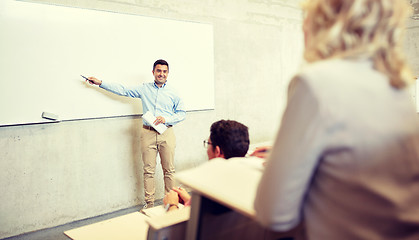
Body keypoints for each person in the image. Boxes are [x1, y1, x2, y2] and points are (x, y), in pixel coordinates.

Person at [254, 0, 419, 239]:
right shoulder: (397, 85)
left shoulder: (316, 83)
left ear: (325, 22)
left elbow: (274, 214)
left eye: (307, 16)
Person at [86, 59, 186, 209]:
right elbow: (123, 90)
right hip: (148, 133)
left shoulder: (173, 92)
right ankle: (149, 204)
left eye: (164, 71)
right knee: (148, 170)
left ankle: (171, 204)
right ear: (153, 72)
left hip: (167, 132)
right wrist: (100, 82)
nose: (161, 74)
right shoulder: (144, 89)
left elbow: (182, 114)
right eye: (158, 71)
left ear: (168, 73)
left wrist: (167, 119)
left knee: (169, 170)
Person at [163, 119, 250, 211]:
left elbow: (184, 224)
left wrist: (171, 205)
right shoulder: (247, 181)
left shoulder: (209, 187)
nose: (207, 149)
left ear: (217, 151)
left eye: (208, 143)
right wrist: (189, 200)